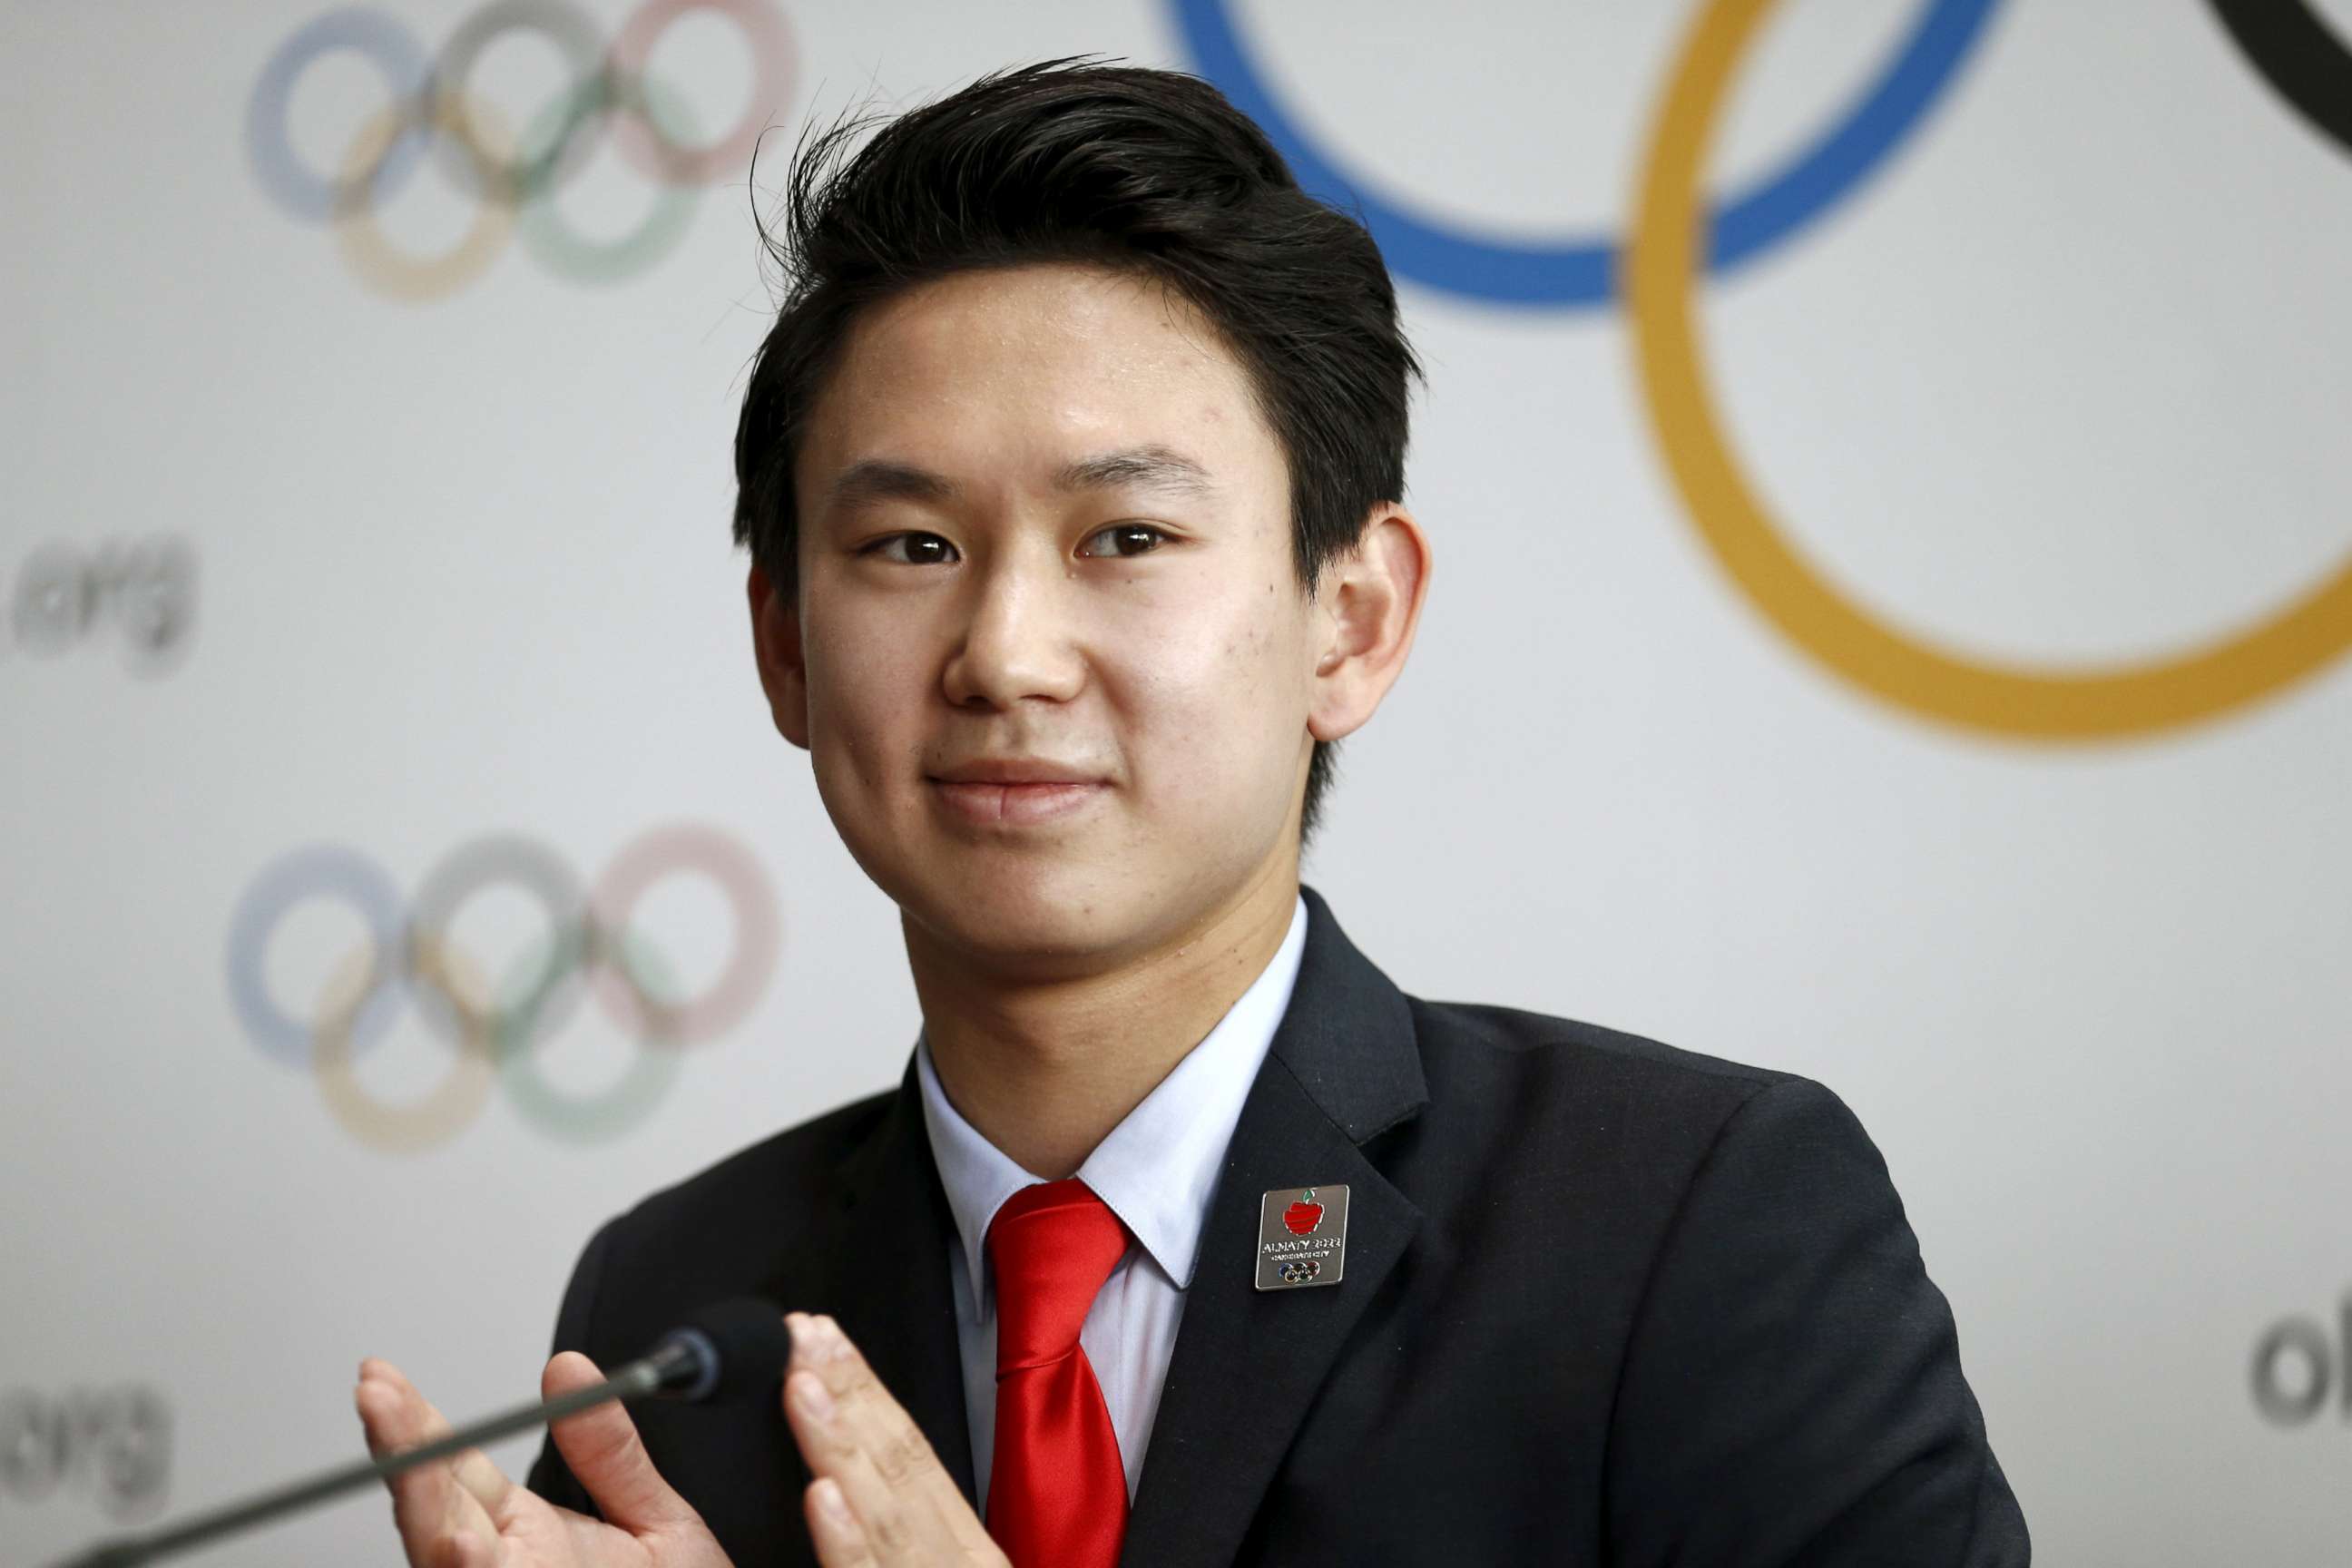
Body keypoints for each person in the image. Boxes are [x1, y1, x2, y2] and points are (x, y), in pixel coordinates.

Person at [352, 59, 2030, 1568]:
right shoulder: (678, 1303)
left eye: (1126, 540)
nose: (1005, 652)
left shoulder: (1690, 1225)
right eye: (911, 547)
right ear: (785, 646)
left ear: (1350, 620)